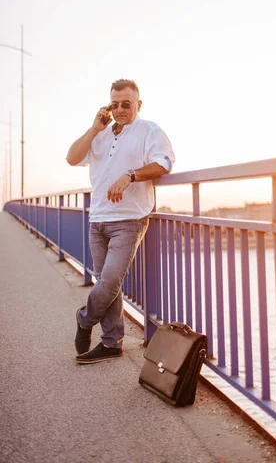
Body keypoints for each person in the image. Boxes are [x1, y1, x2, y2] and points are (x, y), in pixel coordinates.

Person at [66, 78, 175, 364]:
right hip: (98, 218)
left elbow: (163, 163)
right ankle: (112, 342)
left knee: (111, 280)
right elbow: (72, 158)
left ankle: (84, 319)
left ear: (138, 104)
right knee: (107, 284)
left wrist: (130, 175)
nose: (120, 109)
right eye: (114, 105)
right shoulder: (100, 134)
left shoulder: (149, 130)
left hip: (129, 219)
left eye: (126, 104)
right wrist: (93, 128)